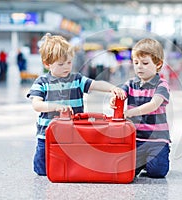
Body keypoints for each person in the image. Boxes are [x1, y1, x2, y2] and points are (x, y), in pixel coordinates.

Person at [26, 33, 126, 176]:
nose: (66, 67)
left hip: (73, 134)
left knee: (70, 166)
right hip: (47, 135)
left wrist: (112, 88)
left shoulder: (76, 79)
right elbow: (37, 105)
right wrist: (55, 106)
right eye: (61, 64)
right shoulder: (42, 82)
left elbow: (96, 84)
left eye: (69, 62)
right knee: (41, 170)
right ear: (47, 64)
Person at [111, 38, 170, 178]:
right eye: (136, 63)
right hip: (136, 139)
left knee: (157, 172)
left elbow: (154, 104)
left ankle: (155, 158)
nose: (139, 67)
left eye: (145, 63)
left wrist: (134, 112)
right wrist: (114, 97)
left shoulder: (161, 84)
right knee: (128, 170)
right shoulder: (131, 83)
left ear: (158, 64)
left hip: (157, 140)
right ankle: (143, 161)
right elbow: (121, 92)